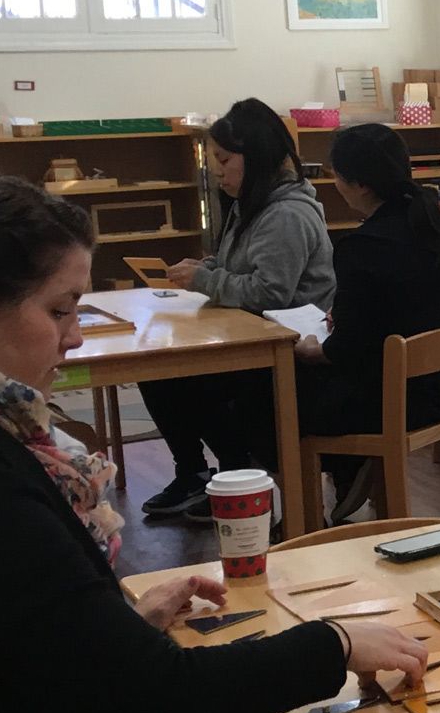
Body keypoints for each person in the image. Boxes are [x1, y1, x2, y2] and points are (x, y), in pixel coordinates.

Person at [0, 176, 425, 713]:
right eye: (59, 311)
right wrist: (334, 642)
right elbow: (159, 699)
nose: (75, 337)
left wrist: (114, 632)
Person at [253, 124, 440, 522]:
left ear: (361, 184)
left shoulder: (362, 246)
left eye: (337, 176)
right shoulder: (432, 221)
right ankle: (349, 470)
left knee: (265, 397)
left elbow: (345, 349)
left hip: (387, 400)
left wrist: (311, 349)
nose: (335, 185)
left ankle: (303, 516)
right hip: (438, 389)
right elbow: (405, 307)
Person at [140, 98, 336, 519]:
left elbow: (270, 293)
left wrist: (204, 280)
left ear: (257, 156)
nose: (217, 170)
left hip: (289, 348)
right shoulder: (253, 203)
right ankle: (198, 474)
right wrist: (207, 267)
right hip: (253, 335)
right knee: (157, 368)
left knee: (186, 378)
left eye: (225, 160)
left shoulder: (285, 213)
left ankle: (236, 474)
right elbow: (239, 265)